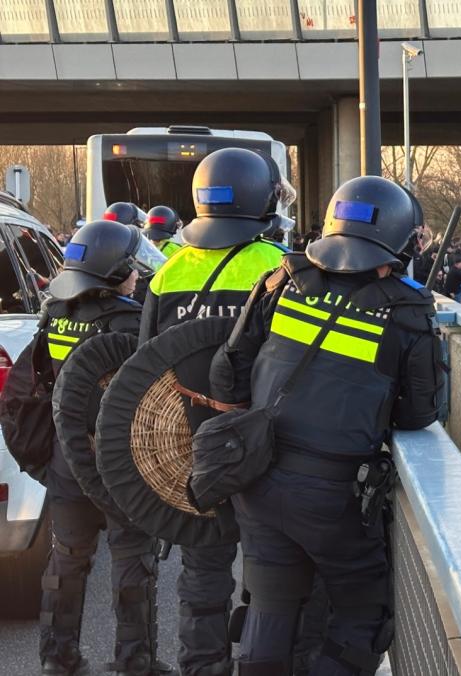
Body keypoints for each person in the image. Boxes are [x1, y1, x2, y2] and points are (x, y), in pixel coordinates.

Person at [209, 176, 441, 675]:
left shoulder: (282, 279)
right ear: (399, 241)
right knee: (362, 617)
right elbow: (419, 414)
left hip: (258, 477)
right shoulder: (408, 310)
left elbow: (227, 371)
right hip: (335, 495)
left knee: (269, 606)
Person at [139, 147, 294, 676]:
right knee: (268, 570)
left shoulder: (166, 273)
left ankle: (201, 666)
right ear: (259, 200)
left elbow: (146, 367)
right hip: (262, 445)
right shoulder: (276, 267)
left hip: (188, 446)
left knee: (202, 570)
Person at [38, 220, 168, 676]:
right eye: (131, 266)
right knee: (134, 559)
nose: (138, 273)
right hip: (120, 465)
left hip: (67, 459)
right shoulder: (133, 323)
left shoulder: (55, 312)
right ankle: (135, 661)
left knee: (65, 562)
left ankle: (58, 657)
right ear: (113, 272)